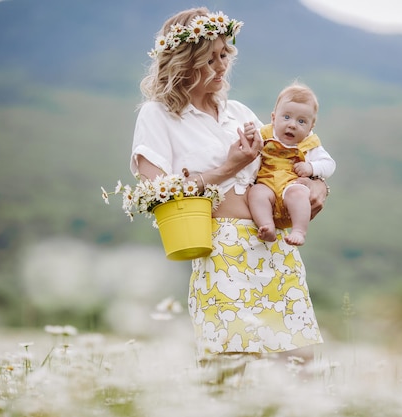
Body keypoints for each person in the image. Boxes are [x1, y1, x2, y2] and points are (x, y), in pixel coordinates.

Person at [129, 8, 328, 364]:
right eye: (209, 59)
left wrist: (317, 185)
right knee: (234, 362)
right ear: (184, 62)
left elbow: (286, 160)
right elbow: (154, 192)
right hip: (219, 248)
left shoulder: (239, 112)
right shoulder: (158, 114)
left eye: (225, 55)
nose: (221, 66)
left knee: (298, 360)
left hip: (274, 245)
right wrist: (227, 167)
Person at [246, 83, 335, 246]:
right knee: (256, 193)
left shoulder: (309, 144)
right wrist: (249, 134)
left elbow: (329, 164)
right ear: (273, 118)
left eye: (301, 121)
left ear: (311, 126)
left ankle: (299, 231)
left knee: (299, 194)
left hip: (291, 185)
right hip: (267, 185)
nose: (292, 125)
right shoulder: (265, 134)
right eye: (286, 117)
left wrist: (311, 168)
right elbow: (251, 144)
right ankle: (267, 225)